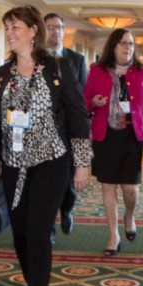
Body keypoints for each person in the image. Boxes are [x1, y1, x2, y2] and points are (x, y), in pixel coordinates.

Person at [0, 6, 91, 286]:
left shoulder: (58, 68)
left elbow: (78, 116)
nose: (10, 33)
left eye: (16, 27)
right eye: (7, 27)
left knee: (37, 231)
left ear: (33, 30)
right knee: (20, 233)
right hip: (13, 164)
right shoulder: (1, 75)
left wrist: (82, 163)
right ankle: (33, 280)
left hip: (52, 162)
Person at [85, 29, 143, 255]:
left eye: (131, 44)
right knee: (108, 186)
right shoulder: (97, 71)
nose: (128, 47)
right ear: (113, 46)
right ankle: (113, 235)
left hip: (131, 135)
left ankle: (129, 215)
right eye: (124, 43)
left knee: (130, 188)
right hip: (105, 135)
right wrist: (94, 102)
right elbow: (85, 101)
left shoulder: (142, 72)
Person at [44, 12, 88, 237]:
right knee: (45, 181)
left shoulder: (76, 59)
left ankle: (66, 209)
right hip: (44, 130)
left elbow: (81, 96)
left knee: (68, 178)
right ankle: (48, 225)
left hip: (69, 130)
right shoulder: (36, 58)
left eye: (59, 27)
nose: (56, 31)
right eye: (51, 27)